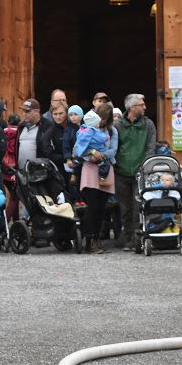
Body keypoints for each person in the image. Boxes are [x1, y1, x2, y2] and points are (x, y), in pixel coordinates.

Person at [114, 93, 157, 250]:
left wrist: (145, 166)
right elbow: (113, 148)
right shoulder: (117, 126)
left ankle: (137, 239)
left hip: (140, 172)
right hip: (121, 172)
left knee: (138, 207)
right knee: (125, 208)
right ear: (132, 107)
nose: (145, 107)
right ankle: (127, 240)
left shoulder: (148, 124)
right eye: (141, 104)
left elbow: (151, 147)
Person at [79, 102, 119, 253]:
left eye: (105, 119)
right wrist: (92, 154)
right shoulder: (87, 128)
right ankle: (88, 241)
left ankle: (97, 238)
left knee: (101, 208)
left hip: (105, 168)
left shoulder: (112, 131)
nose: (101, 121)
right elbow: (79, 149)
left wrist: (101, 155)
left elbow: (113, 150)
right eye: (100, 117)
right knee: (92, 207)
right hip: (90, 169)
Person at [74, 111, 113, 183]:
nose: (99, 124)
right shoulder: (94, 131)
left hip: (83, 152)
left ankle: (74, 174)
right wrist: (106, 137)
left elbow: (77, 145)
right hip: (97, 151)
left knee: (77, 160)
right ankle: (102, 178)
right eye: (98, 123)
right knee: (105, 163)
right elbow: (101, 138)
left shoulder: (82, 129)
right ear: (94, 123)